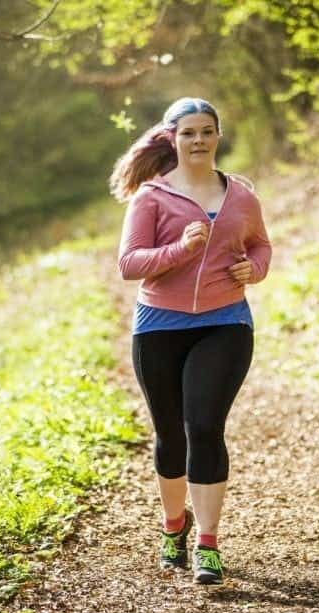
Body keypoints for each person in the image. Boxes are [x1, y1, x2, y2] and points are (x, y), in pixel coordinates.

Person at [110, 97, 272, 585]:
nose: (198, 141)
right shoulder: (151, 198)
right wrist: (181, 249)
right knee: (170, 433)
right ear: (173, 139)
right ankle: (172, 527)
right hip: (159, 325)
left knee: (203, 425)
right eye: (188, 133)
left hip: (225, 322)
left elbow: (260, 244)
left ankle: (207, 543)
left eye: (206, 132)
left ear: (218, 136)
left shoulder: (241, 196)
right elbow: (129, 264)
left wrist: (256, 268)